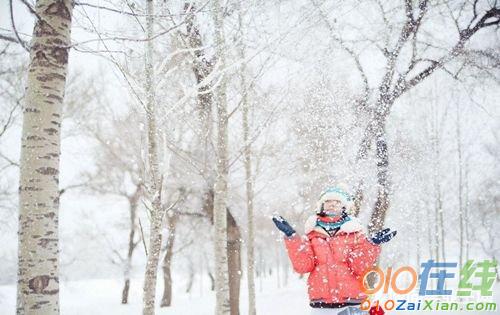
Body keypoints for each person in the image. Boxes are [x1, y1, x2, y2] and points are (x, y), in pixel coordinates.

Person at [272, 185, 397, 315]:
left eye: (337, 202)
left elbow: (359, 267)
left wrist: (371, 244)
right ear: (321, 205)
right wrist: (292, 237)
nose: (332, 205)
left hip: (353, 303)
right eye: (328, 202)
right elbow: (303, 266)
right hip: (322, 306)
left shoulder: (355, 233)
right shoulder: (312, 234)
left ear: (345, 206)